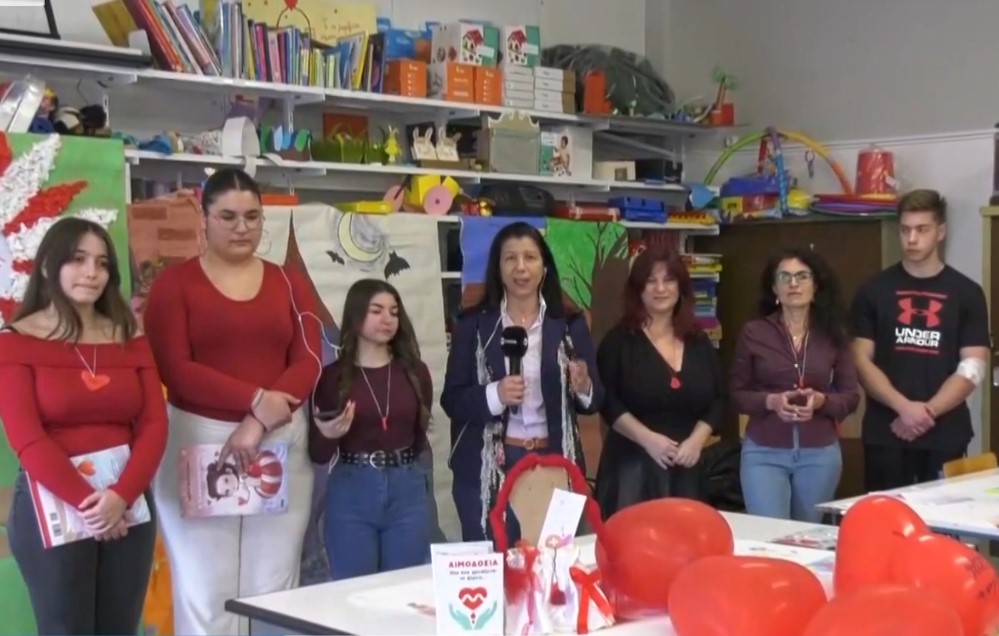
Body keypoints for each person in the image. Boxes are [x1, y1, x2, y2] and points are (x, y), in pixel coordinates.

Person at [143, 168, 322, 635]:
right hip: (199, 439)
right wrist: (255, 399)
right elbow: (175, 368)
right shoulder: (174, 285)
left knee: (275, 589)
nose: (242, 227)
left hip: (279, 438)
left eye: (252, 217)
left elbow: (309, 358)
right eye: (228, 216)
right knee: (206, 591)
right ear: (204, 219)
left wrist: (258, 419)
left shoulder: (287, 282)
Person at [0, 217, 167, 635]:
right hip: (53, 502)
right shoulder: (16, 340)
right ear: (47, 266)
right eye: (78, 260)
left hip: (128, 504)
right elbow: (27, 437)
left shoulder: (129, 336)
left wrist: (121, 497)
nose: (92, 272)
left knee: (120, 628)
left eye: (102, 263)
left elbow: (153, 424)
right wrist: (91, 505)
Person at [441, 221, 603, 541]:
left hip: (554, 461)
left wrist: (583, 386)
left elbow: (595, 400)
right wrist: (495, 394)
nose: (521, 267)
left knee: (552, 563)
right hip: (487, 467)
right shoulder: (473, 325)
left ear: (544, 267)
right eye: (510, 258)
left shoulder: (568, 325)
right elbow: (452, 400)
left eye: (530, 257)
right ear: (498, 269)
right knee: (496, 561)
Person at [851, 189, 989, 491]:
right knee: (886, 516)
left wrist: (927, 412)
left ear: (940, 232)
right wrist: (903, 407)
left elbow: (973, 366)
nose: (911, 239)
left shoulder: (967, 293)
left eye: (922, 229)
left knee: (943, 519)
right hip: (887, 432)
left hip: (945, 434)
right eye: (905, 230)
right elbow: (861, 360)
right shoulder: (873, 290)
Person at [309, 279, 433, 580]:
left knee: (403, 588)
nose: (387, 319)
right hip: (352, 487)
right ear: (356, 315)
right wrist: (330, 434)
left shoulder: (415, 372)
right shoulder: (333, 377)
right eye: (376, 311)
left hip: (407, 487)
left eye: (394, 311)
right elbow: (318, 453)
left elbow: (419, 437)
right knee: (354, 590)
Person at [594, 246, 726, 518]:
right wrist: (648, 440)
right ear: (638, 290)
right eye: (651, 281)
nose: (660, 288)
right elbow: (607, 401)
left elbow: (720, 398)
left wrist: (697, 440)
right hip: (632, 467)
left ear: (681, 287)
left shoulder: (698, 341)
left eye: (669, 280)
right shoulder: (618, 341)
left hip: (687, 468)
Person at [730, 247, 860, 522]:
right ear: (774, 288)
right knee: (769, 535)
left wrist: (823, 401)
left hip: (819, 453)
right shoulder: (755, 332)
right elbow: (737, 394)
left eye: (802, 276)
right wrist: (771, 401)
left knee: (806, 536)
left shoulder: (833, 334)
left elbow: (850, 397)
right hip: (764, 451)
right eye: (784, 277)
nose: (793, 284)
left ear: (816, 285)